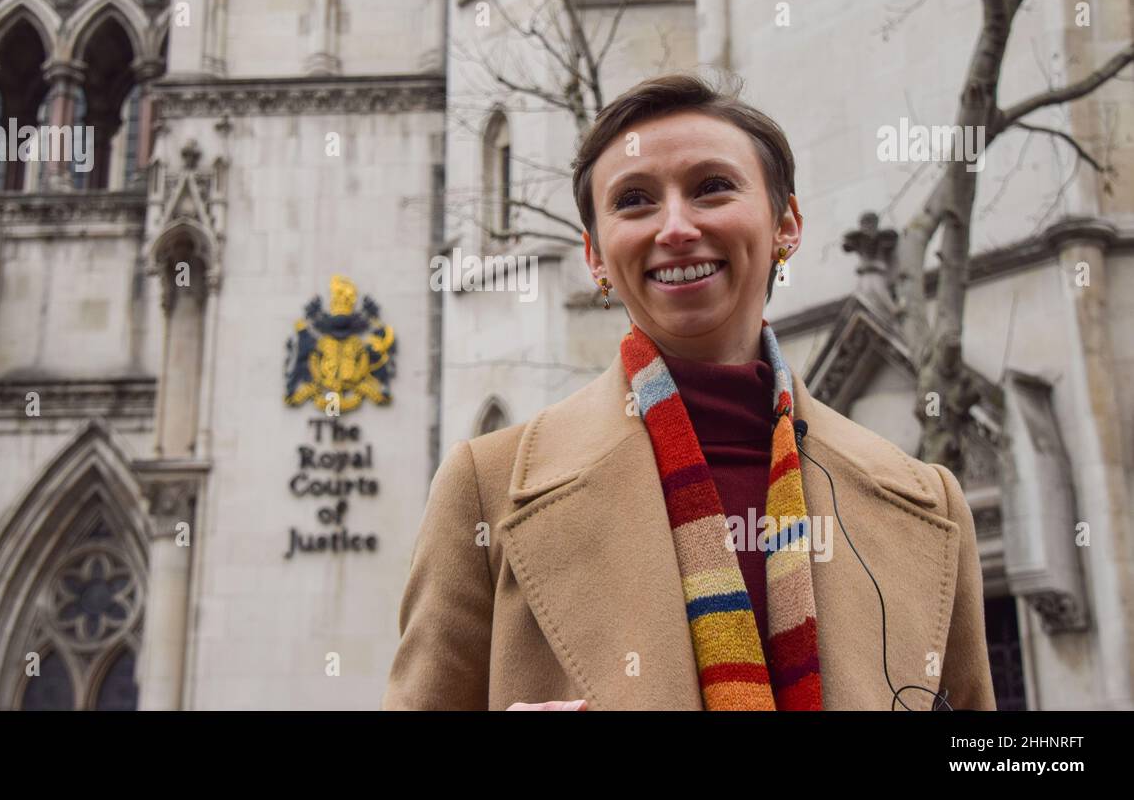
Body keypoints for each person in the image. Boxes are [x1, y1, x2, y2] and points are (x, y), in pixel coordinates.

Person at [383, 73, 996, 711]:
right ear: (595, 256)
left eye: (712, 188)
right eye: (634, 200)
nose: (675, 227)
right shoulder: (486, 488)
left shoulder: (930, 504)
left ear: (786, 223)